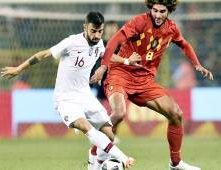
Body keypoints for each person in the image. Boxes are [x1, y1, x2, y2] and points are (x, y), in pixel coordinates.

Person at [1, 11, 134, 170]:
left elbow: (107, 54)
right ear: (85, 27)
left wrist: (127, 60)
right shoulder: (72, 42)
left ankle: (93, 158)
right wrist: (18, 68)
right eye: (93, 31)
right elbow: (43, 54)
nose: (97, 35)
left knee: (109, 135)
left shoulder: (98, 43)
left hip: (85, 95)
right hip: (65, 99)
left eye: (100, 31)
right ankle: (123, 158)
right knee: (87, 128)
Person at [91, 1, 213, 170]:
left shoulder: (172, 28)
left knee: (176, 113)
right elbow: (114, 40)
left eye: (162, 11)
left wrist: (197, 64)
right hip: (120, 74)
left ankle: (175, 164)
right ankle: (96, 153)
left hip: (145, 80)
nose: (157, 15)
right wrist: (103, 66)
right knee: (119, 112)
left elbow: (183, 44)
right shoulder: (139, 21)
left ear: (169, 11)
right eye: (154, 10)